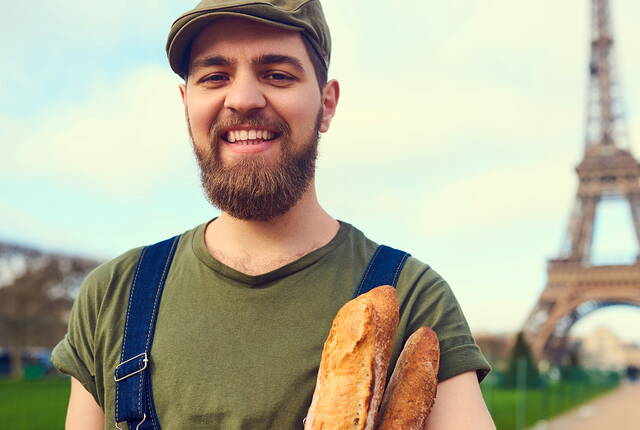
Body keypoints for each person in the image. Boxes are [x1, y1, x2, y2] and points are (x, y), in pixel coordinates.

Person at [51, 1, 495, 429]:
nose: (242, 98)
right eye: (215, 76)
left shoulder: (414, 297)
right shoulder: (113, 298)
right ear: (186, 102)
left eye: (278, 74)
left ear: (328, 103)